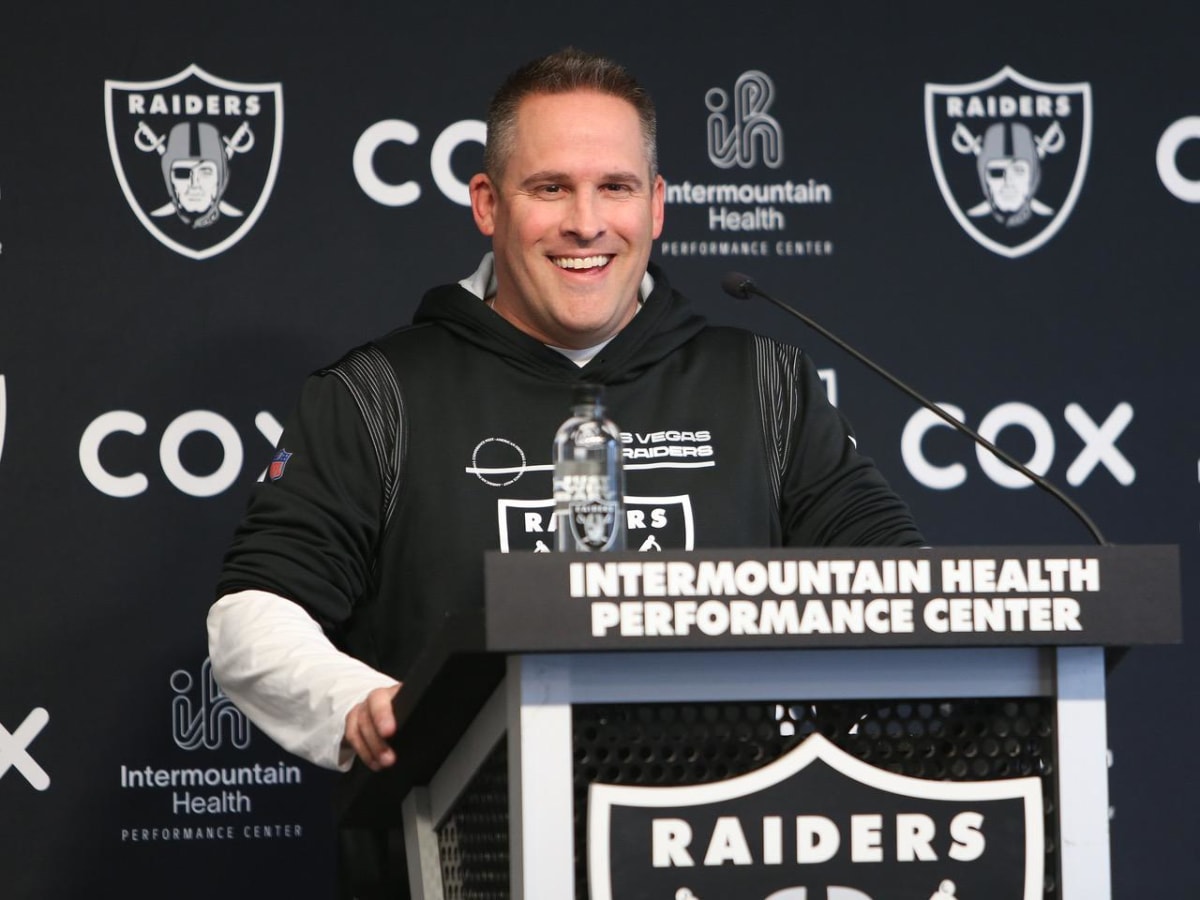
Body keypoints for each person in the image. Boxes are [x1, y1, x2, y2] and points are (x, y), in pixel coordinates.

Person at [208, 47, 924, 896]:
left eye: (615, 188)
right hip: (468, 865)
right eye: (550, 189)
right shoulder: (378, 394)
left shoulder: (763, 384)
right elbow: (253, 614)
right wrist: (365, 705)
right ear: (487, 204)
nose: (587, 222)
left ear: (656, 207)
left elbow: (896, 583)